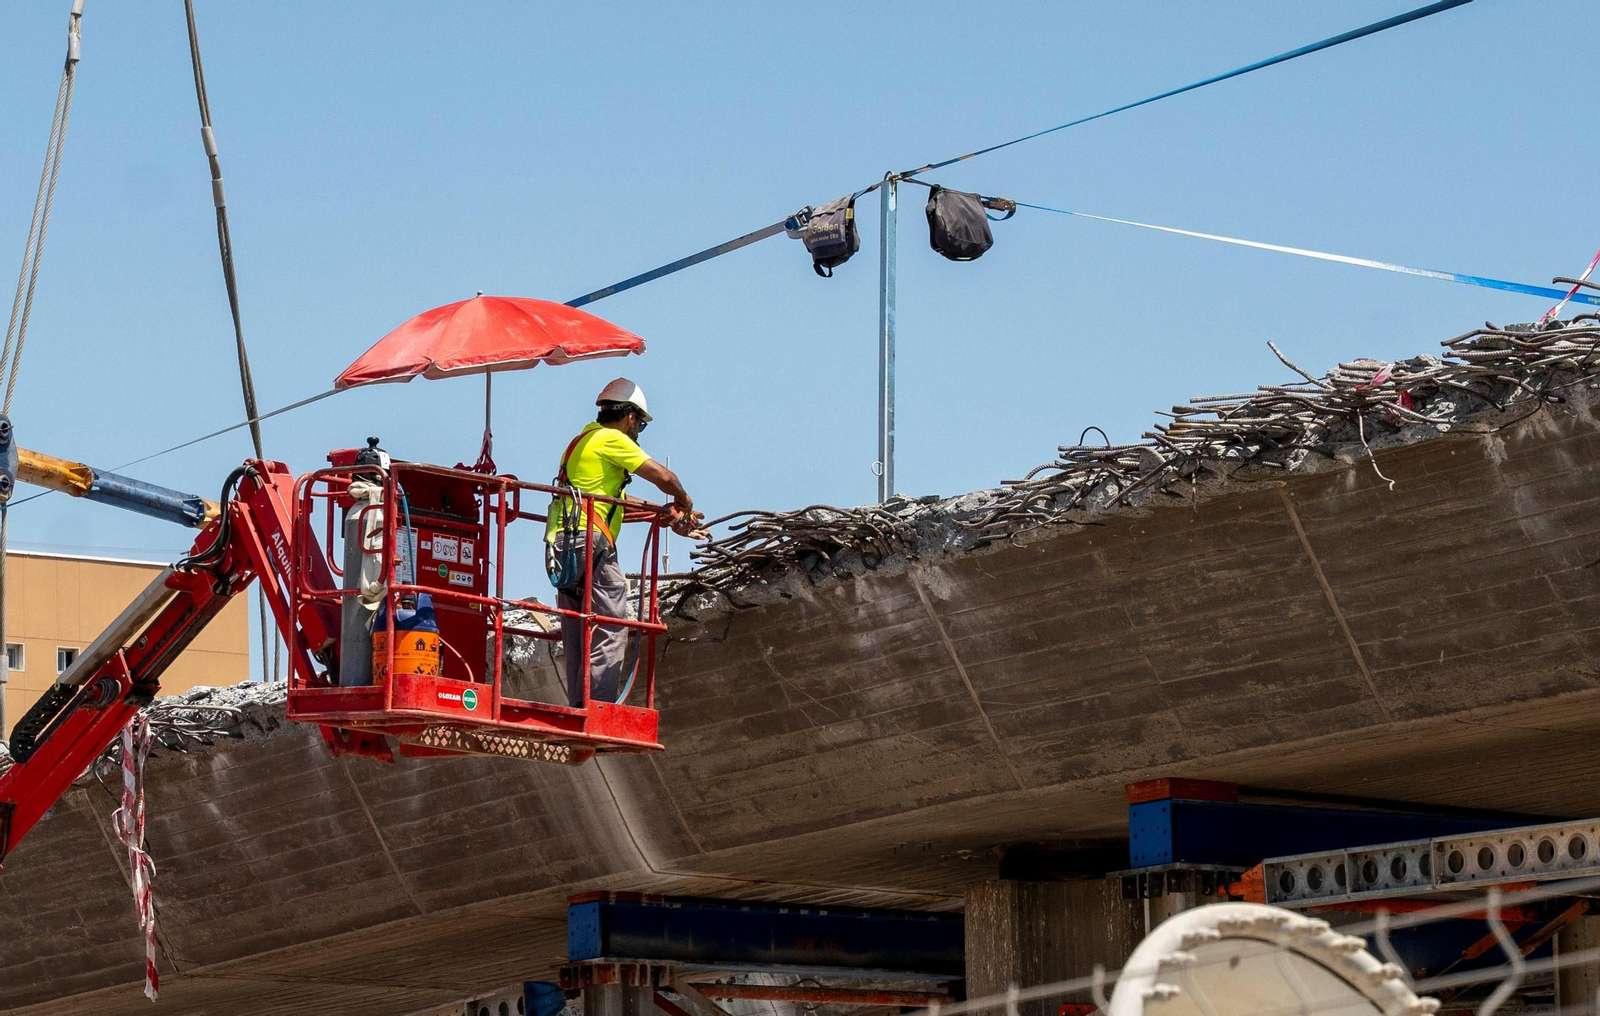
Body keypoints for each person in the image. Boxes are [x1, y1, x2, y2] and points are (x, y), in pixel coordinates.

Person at [545, 378, 704, 707]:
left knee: (578, 628)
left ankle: (580, 707)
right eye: (640, 425)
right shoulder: (611, 439)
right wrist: (684, 501)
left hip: (562, 547)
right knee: (612, 623)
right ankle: (598, 708)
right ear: (630, 417)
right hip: (590, 542)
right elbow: (664, 477)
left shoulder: (582, 442)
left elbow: (610, 502)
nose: (638, 432)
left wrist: (662, 514)